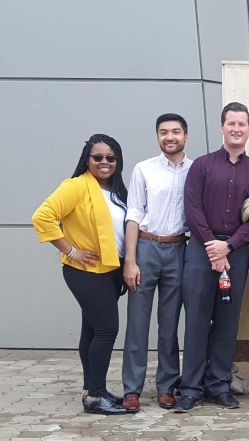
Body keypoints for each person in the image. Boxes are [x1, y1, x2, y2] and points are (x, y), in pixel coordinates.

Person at [174, 102, 249, 412]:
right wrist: (212, 245)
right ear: (222, 127)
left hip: (236, 254)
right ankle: (191, 388)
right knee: (197, 320)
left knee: (228, 322)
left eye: (242, 124)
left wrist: (228, 246)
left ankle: (219, 385)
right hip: (201, 251)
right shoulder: (201, 166)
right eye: (231, 123)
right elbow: (192, 208)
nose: (236, 129)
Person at [32, 134, 129, 415]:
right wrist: (71, 251)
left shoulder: (117, 190)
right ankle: (95, 397)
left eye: (110, 157)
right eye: (97, 157)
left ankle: (93, 388)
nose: (104, 162)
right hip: (85, 271)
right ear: (87, 159)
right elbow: (42, 217)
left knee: (92, 330)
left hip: (111, 269)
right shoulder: (75, 186)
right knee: (107, 329)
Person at [120, 113, 193, 412]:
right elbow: (134, 214)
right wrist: (130, 260)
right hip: (146, 247)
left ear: (186, 136)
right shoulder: (144, 169)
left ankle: (166, 386)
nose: (169, 137)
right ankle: (132, 389)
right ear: (157, 137)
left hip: (178, 249)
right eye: (163, 132)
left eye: (175, 131)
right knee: (137, 321)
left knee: (169, 323)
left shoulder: (196, 170)